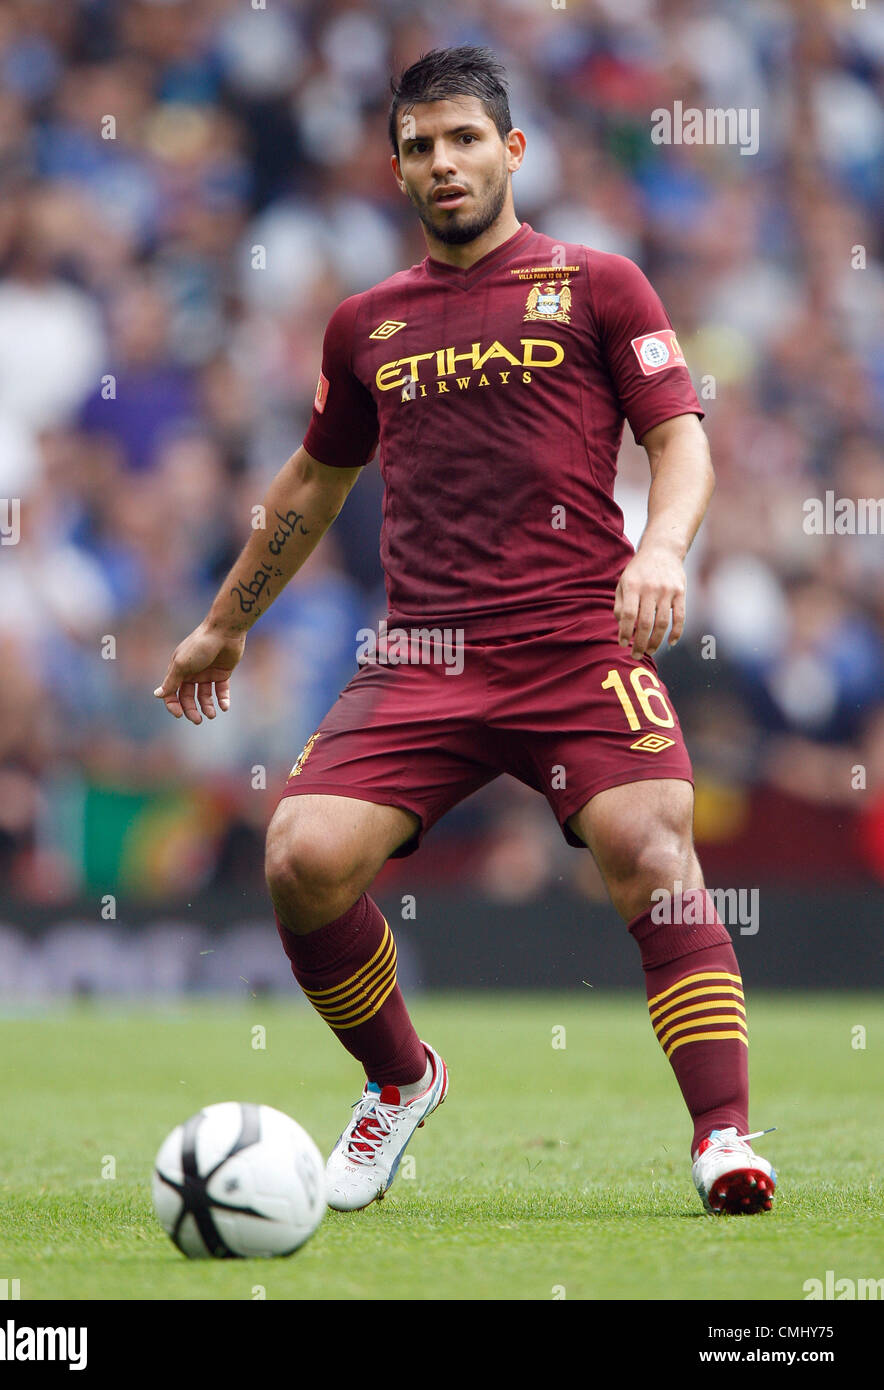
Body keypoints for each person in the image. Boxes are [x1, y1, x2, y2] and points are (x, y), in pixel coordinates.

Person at [155, 46, 775, 1217]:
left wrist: (660, 549)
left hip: (575, 639)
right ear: (396, 167)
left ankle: (725, 1136)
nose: (444, 163)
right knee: (299, 859)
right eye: (420, 146)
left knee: (654, 844)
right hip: (424, 654)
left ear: (513, 150)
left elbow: (681, 438)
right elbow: (308, 485)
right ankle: (401, 1079)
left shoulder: (599, 285)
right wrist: (222, 625)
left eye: (465, 140)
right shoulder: (366, 323)